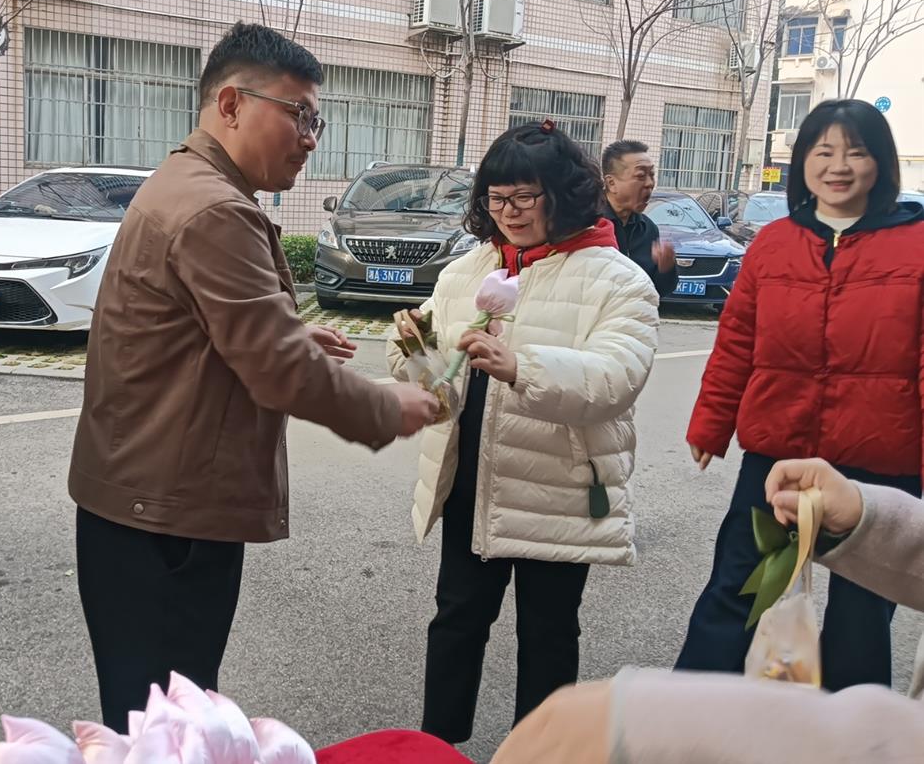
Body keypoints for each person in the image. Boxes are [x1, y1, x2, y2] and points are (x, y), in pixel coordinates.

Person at [69, 22, 440, 727]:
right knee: (166, 726)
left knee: (151, 715)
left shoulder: (187, 182)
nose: (310, 137)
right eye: (299, 114)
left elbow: (198, 328)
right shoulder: (215, 207)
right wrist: (387, 407)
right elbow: (276, 368)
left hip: (143, 500)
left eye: (316, 121)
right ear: (232, 104)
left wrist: (289, 332)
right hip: (166, 519)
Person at [386, 122, 659, 744]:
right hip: (471, 478)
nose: (508, 212)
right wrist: (416, 348)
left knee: (549, 630)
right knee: (456, 618)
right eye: (496, 198)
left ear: (564, 194)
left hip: (559, 483)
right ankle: (437, 747)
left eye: (524, 197)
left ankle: (542, 751)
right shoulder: (466, 271)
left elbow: (617, 378)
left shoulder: (617, 279)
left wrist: (520, 366)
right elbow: (438, 382)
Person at [676, 99, 924, 690]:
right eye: (824, 152)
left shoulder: (916, 243)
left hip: (882, 457)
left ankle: (849, 728)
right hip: (778, 452)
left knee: (862, 612)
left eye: (855, 152)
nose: (839, 166)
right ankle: (689, 710)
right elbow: (737, 340)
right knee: (736, 588)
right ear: (803, 162)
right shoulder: (774, 243)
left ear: (880, 162)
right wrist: (711, 423)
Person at [489, 457, 924, 764]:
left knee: (858, 623)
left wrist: (650, 724)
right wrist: (870, 519)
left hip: (882, 447)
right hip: (780, 445)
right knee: (732, 596)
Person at [601, 140, 678, 297]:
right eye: (641, 176)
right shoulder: (587, 224)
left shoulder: (648, 229)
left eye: (652, 175)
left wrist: (666, 268)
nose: (650, 183)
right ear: (611, 183)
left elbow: (658, 291)